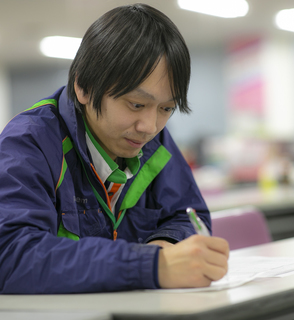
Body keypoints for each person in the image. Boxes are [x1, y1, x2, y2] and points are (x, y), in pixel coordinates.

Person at [0, 3, 229, 294]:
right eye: (136, 104)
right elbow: (10, 255)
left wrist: (167, 245)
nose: (150, 125)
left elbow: (188, 215)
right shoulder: (30, 143)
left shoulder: (152, 140)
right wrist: (150, 265)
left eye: (166, 108)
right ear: (83, 87)